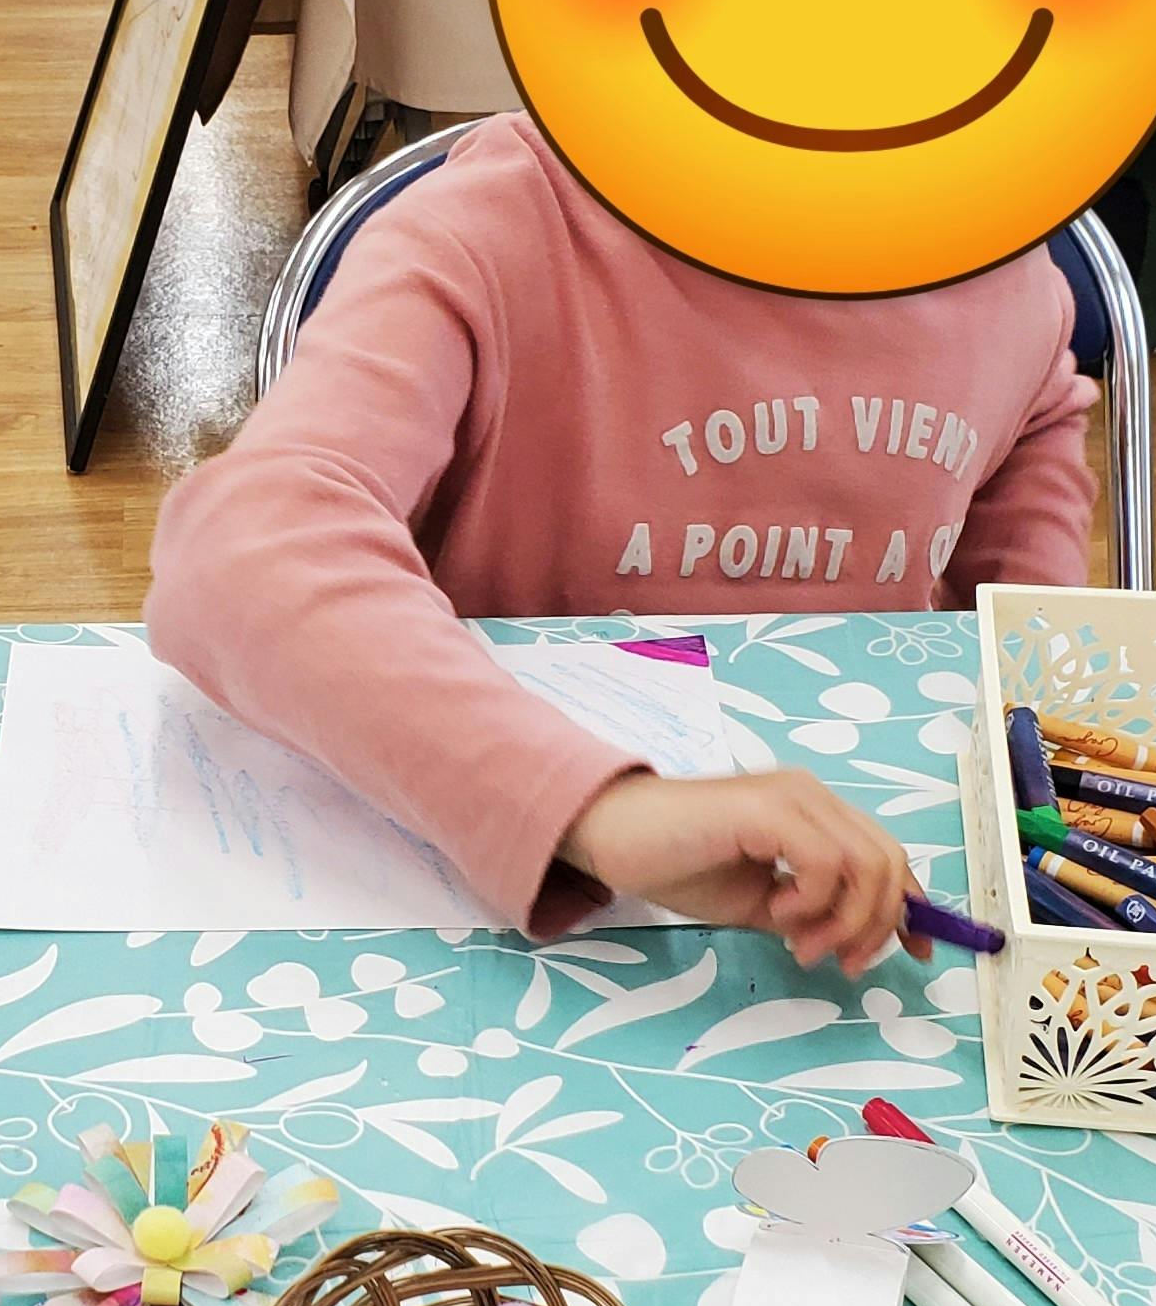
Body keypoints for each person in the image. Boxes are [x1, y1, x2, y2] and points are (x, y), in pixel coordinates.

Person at [144, 116, 1096, 970]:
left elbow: (1032, 641)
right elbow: (240, 550)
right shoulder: (500, 225)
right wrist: (596, 809)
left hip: (867, 922)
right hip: (502, 920)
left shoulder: (1008, 279)